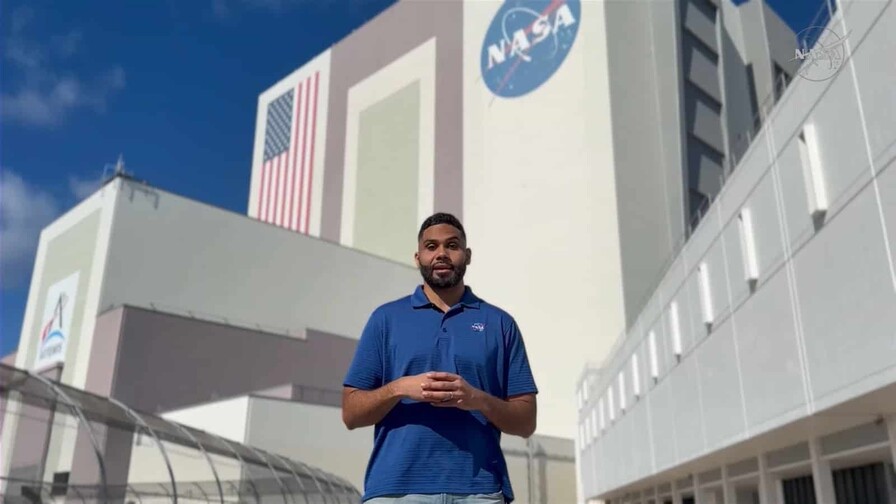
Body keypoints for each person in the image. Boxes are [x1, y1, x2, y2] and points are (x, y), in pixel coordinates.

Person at [342, 212, 539, 504]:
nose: (442, 254)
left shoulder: (500, 324)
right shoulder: (385, 319)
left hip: (480, 492)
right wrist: (399, 388)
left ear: (467, 255)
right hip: (395, 491)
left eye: (452, 245)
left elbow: (526, 422)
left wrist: (476, 398)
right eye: (431, 247)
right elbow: (351, 414)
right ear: (418, 256)